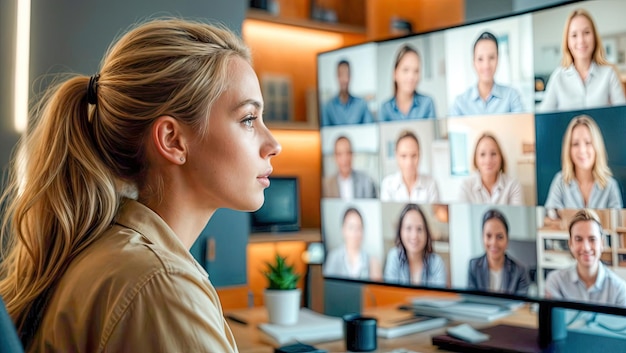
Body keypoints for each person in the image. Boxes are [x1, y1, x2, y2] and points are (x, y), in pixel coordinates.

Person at [0, 18, 282, 352]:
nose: (273, 144)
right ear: (172, 140)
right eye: (248, 119)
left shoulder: (113, 255)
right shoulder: (160, 286)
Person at [539, 9, 626, 112]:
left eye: (586, 32)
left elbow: (622, 116)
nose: (581, 40)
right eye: (574, 35)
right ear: (567, 41)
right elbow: (543, 119)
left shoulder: (609, 74)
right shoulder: (558, 77)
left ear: (594, 37)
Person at [544, 115, 622, 221]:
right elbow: (550, 214)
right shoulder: (560, 181)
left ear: (596, 146)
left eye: (588, 143)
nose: (582, 150)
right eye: (575, 144)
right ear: (569, 149)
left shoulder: (611, 186)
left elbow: (616, 221)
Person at [545, 209, 626, 306]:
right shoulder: (556, 282)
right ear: (570, 244)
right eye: (579, 239)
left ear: (602, 243)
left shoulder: (619, 289)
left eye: (592, 239)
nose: (586, 248)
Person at [449, 31, 524, 116]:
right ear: (473, 62)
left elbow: (522, 127)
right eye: (480, 59)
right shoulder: (460, 103)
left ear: (498, 59)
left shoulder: (512, 97)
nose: (486, 65)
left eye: (491, 58)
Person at [468, 209, 529, 296]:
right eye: (488, 236)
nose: (494, 243)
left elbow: (521, 306)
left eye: (500, 237)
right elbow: (472, 302)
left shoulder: (519, 271)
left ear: (507, 239)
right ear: (482, 238)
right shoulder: (473, 266)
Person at [383, 204, 446, 287]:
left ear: (426, 233)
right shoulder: (394, 257)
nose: (414, 236)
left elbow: (439, 298)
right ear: (400, 231)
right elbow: (389, 294)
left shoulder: (436, 263)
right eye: (408, 228)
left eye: (419, 229)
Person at [459, 133, 525, 205]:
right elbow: (462, 215)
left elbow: (517, 215)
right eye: (482, 154)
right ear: (476, 159)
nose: (488, 160)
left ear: (501, 158)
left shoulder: (513, 186)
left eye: (493, 154)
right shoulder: (465, 186)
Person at [323, 207, 382, 281]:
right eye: (351, 227)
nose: (355, 233)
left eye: (359, 228)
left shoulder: (371, 261)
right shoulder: (333, 257)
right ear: (343, 230)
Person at [380, 44, 436, 121]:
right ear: (395, 74)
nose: (411, 77)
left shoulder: (427, 103)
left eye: (416, 71)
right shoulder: (385, 108)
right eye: (406, 70)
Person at [380, 130, 439, 202]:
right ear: (396, 156)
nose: (409, 163)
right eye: (403, 156)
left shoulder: (431, 184)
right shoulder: (388, 184)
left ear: (419, 155)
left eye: (414, 156)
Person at [321, 59, 374, 126]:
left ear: (350, 77)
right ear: (337, 77)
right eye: (341, 75)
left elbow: (369, 129)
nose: (344, 80)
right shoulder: (328, 107)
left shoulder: (361, 104)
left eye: (347, 75)